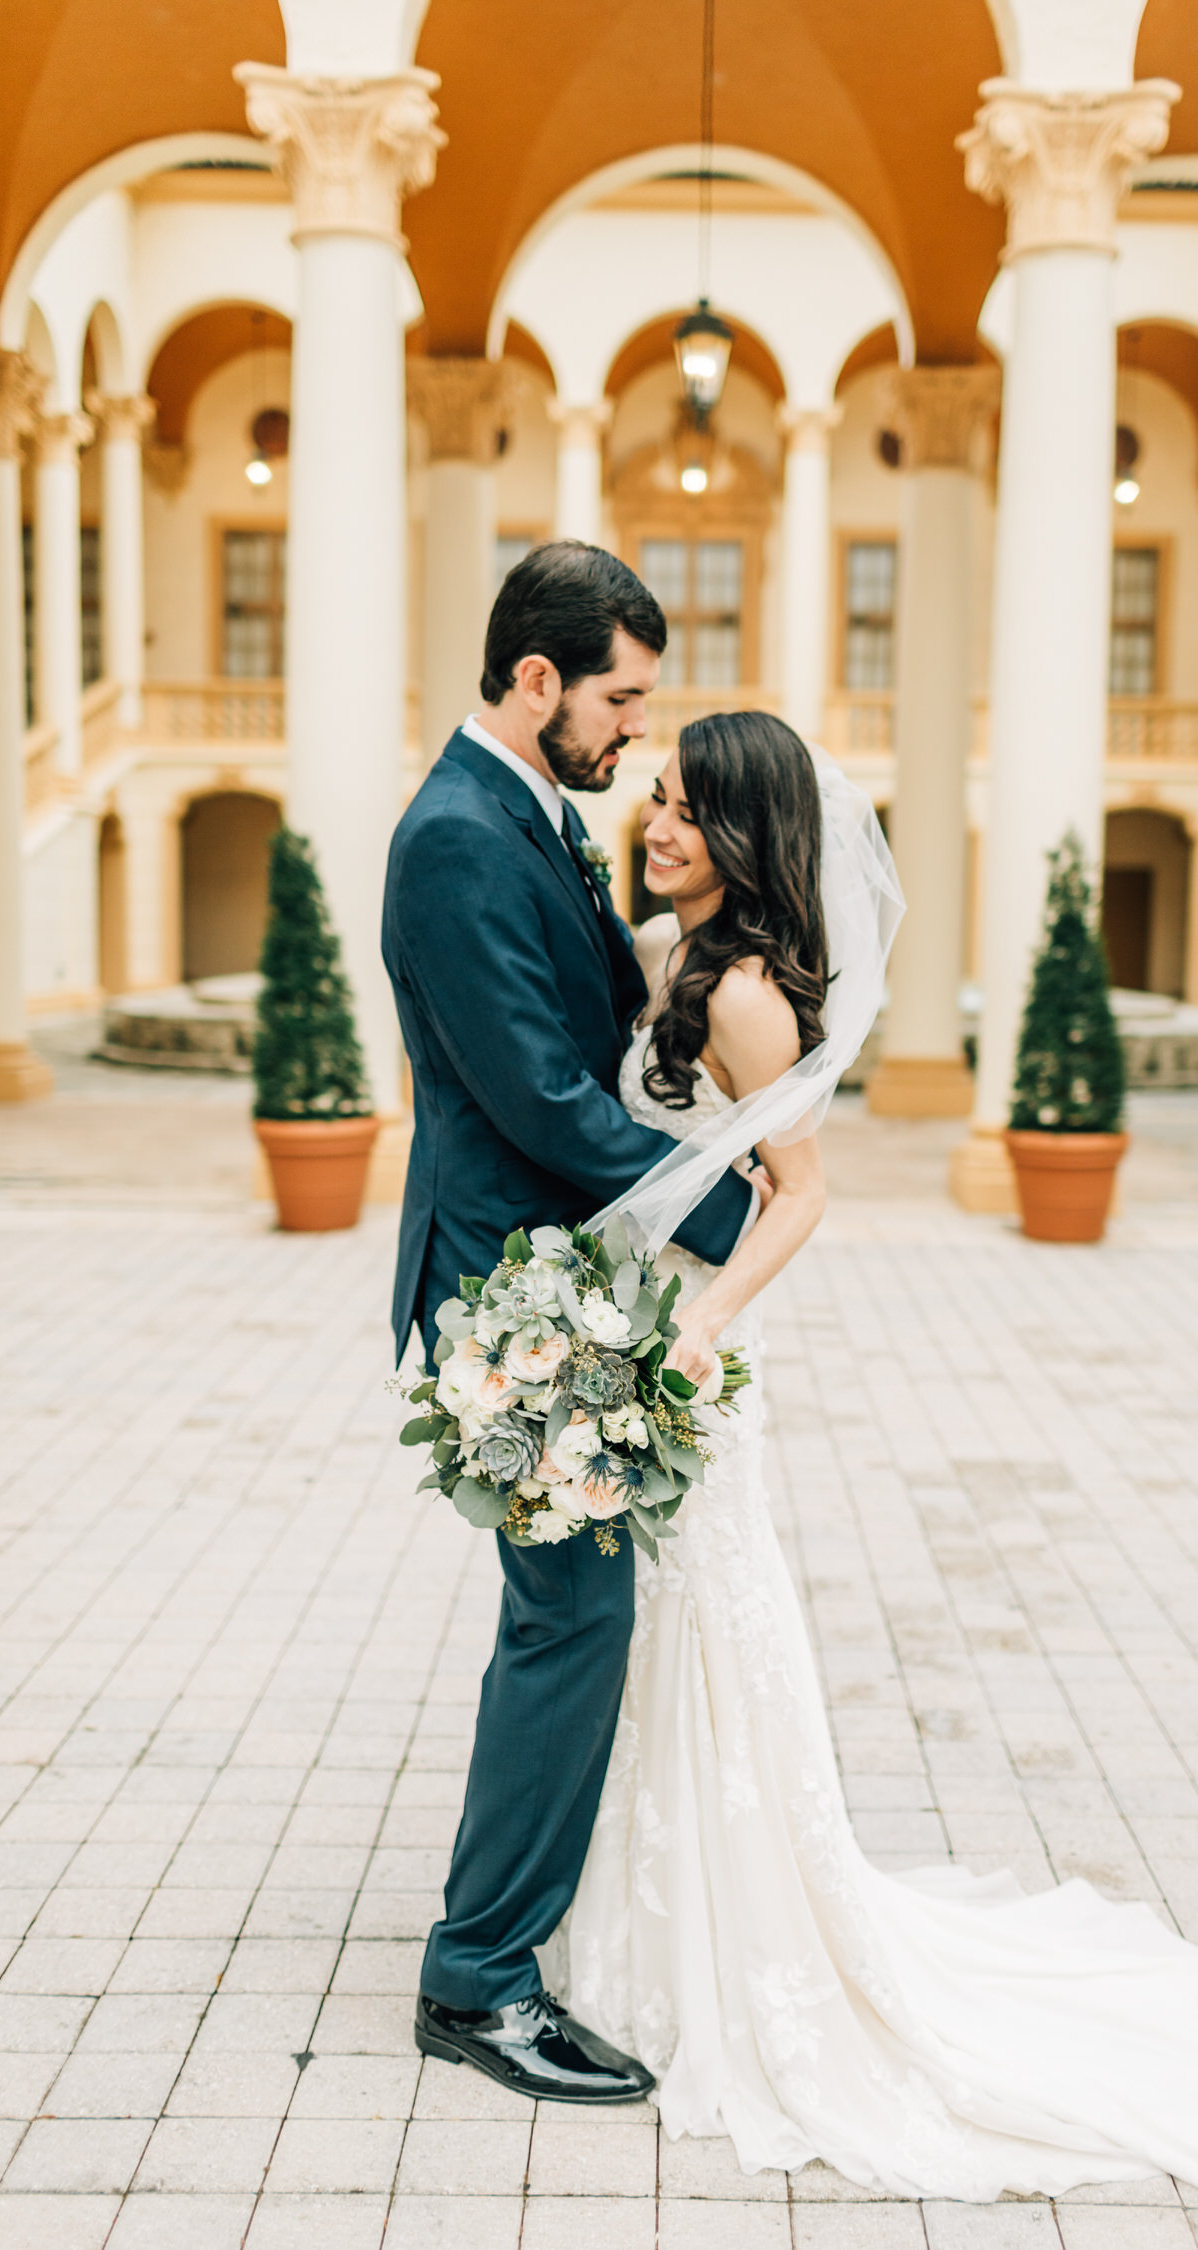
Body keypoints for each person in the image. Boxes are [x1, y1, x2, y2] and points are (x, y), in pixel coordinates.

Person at [560, 707, 1198, 2201]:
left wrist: (706, 1330)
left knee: (704, 1628)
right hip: (637, 1323)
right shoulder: (667, 953)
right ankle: (642, 1911)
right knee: (650, 1638)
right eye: (658, 798)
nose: (660, 823)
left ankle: (740, 1947)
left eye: (688, 808)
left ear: (743, 834)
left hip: (691, 1347)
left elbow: (804, 1190)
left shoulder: (746, 993)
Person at [381, 541, 758, 2104]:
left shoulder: (530, 812)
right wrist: (748, 1210)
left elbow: (607, 1029)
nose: (630, 731)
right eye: (618, 697)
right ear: (535, 679)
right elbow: (539, 1096)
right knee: (571, 1619)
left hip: (568, 1272)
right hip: (508, 1290)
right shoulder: (460, 838)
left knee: (566, 1616)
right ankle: (479, 1979)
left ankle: (507, 1933)